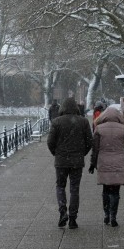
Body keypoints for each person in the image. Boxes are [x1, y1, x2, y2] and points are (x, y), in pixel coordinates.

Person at [47, 96, 93, 229]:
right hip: (77, 161)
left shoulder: (56, 122)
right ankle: (73, 218)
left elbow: (50, 142)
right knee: (74, 189)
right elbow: (90, 141)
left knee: (60, 186)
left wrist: (56, 153)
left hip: (61, 161)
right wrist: (82, 152)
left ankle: (62, 212)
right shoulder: (83, 122)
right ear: (76, 108)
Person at [89, 105, 124, 227]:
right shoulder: (123, 129)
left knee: (105, 190)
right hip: (119, 163)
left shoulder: (98, 128)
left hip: (103, 162)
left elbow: (95, 149)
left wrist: (92, 163)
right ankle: (113, 216)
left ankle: (106, 215)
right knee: (115, 191)